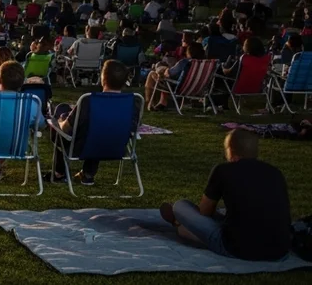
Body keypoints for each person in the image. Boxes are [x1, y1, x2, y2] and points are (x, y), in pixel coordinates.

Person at [159, 129, 291, 261]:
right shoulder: (275, 172)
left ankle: (179, 224)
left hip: (238, 248)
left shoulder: (223, 170)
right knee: (229, 215)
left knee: (181, 206)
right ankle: (184, 227)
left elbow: (205, 212)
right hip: (279, 251)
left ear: (230, 150)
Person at [49, 60, 138, 185]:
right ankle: (88, 174)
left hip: (82, 147)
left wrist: (59, 121)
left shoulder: (88, 100)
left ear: (103, 78)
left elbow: (65, 129)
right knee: (99, 128)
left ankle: (59, 173)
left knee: (61, 114)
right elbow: (134, 127)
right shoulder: (132, 102)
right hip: (116, 147)